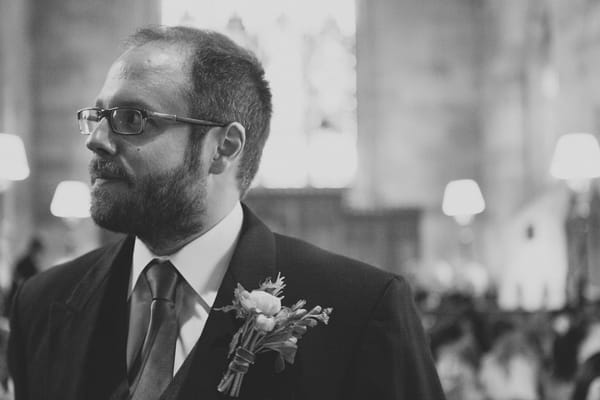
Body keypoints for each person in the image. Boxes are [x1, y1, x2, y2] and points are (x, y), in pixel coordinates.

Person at [7, 26, 444, 400]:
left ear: (224, 148)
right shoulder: (43, 302)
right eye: (97, 115)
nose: (96, 139)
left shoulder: (361, 310)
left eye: (132, 117)